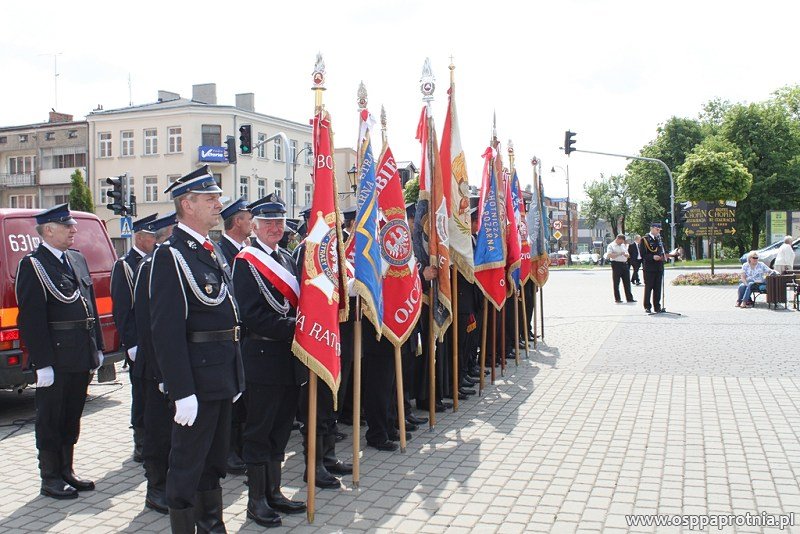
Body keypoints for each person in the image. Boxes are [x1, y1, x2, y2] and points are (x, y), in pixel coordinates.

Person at [150, 165, 245, 533]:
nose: (218, 203)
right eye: (210, 198)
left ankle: (211, 525)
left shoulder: (210, 251)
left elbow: (229, 318)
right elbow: (166, 331)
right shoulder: (170, 255)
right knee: (188, 463)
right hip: (196, 380)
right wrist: (181, 390)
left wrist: (235, 374)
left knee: (213, 461)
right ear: (187, 204)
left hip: (220, 375)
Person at [15, 204, 105, 500]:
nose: (73, 230)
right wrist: (42, 363)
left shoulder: (76, 259)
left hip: (80, 352)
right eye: (67, 226)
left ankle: (67, 469)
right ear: (49, 230)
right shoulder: (33, 265)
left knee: (72, 414)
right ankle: (50, 476)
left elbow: (89, 305)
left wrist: (98, 346)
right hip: (55, 355)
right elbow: (31, 319)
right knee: (51, 417)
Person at [233, 196, 308, 527]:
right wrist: (297, 328)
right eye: (268, 224)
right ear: (255, 227)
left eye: (280, 223)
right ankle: (257, 500)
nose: (276, 228)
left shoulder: (289, 259)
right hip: (262, 357)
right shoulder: (245, 262)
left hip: (288, 358)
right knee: (260, 430)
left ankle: (275, 492)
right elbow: (251, 315)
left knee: (281, 428)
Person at [132, 212, 177, 514]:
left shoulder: (172, 262)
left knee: (173, 433)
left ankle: (170, 484)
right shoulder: (152, 266)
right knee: (158, 432)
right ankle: (155, 487)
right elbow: (149, 323)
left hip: (171, 364)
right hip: (156, 367)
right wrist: (161, 369)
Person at [111, 212, 158, 464]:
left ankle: (152, 437)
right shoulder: (126, 265)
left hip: (154, 342)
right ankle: (140, 441)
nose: (156, 240)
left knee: (153, 394)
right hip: (138, 342)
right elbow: (122, 309)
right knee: (140, 394)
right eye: (152, 236)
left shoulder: (157, 261)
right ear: (139, 238)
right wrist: (131, 344)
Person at [216, 196, 253, 475]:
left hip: (246, 336)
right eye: (247, 217)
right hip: (232, 336)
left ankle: (239, 447)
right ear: (237, 221)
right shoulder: (222, 252)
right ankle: (228, 452)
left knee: (244, 397)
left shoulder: (246, 250)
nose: (251, 221)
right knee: (232, 398)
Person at [640, 222, 671, 314]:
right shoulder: (645, 239)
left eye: (659, 230)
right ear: (652, 228)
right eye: (657, 230)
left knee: (658, 288)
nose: (658, 232)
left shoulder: (660, 239)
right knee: (649, 287)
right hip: (649, 267)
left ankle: (657, 307)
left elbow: (664, 251)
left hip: (659, 267)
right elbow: (643, 254)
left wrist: (667, 255)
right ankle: (647, 306)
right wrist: (652, 257)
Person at [605, 234, 635, 303]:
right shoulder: (611, 245)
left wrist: (626, 255)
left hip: (625, 264)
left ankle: (629, 298)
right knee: (616, 282)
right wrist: (619, 254)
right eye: (621, 241)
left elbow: (628, 255)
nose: (622, 242)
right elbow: (609, 255)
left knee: (627, 282)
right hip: (616, 264)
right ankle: (617, 298)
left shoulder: (623, 245)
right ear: (618, 239)